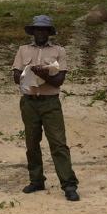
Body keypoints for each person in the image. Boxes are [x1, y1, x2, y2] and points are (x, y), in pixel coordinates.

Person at [12, 14, 80, 202]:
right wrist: (29, 72)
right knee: (31, 143)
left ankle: (69, 184)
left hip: (50, 102)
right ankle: (36, 180)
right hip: (29, 101)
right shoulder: (23, 50)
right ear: (33, 31)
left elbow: (59, 81)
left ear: (49, 33)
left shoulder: (59, 51)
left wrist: (44, 74)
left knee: (58, 143)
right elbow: (16, 76)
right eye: (37, 29)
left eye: (44, 30)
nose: (40, 32)